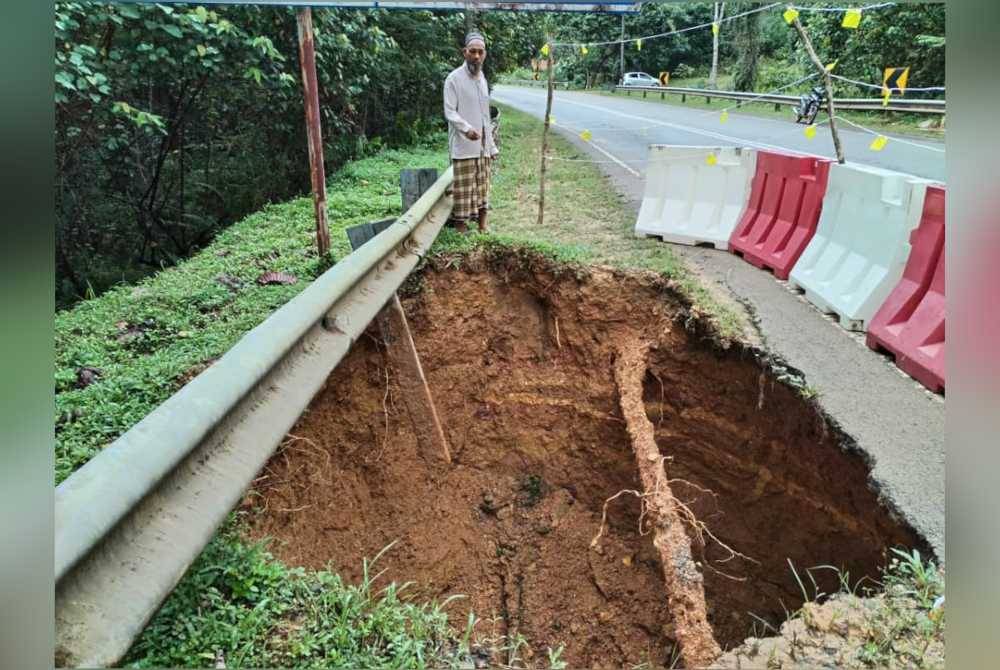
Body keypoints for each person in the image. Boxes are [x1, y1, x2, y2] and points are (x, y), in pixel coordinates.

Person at [443, 31, 499, 233]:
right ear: (464, 52)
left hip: (482, 147)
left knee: (483, 187)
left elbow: (485, 116)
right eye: (473, 51)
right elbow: (450, 111)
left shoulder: (482, 78)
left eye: (480, 52)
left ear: (485, 54)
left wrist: (491, 146)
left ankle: (483, 226)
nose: (476, 56)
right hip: (463, 145)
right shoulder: (453, 79)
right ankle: (461, 228)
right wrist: (466, 129)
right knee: (463, 189)